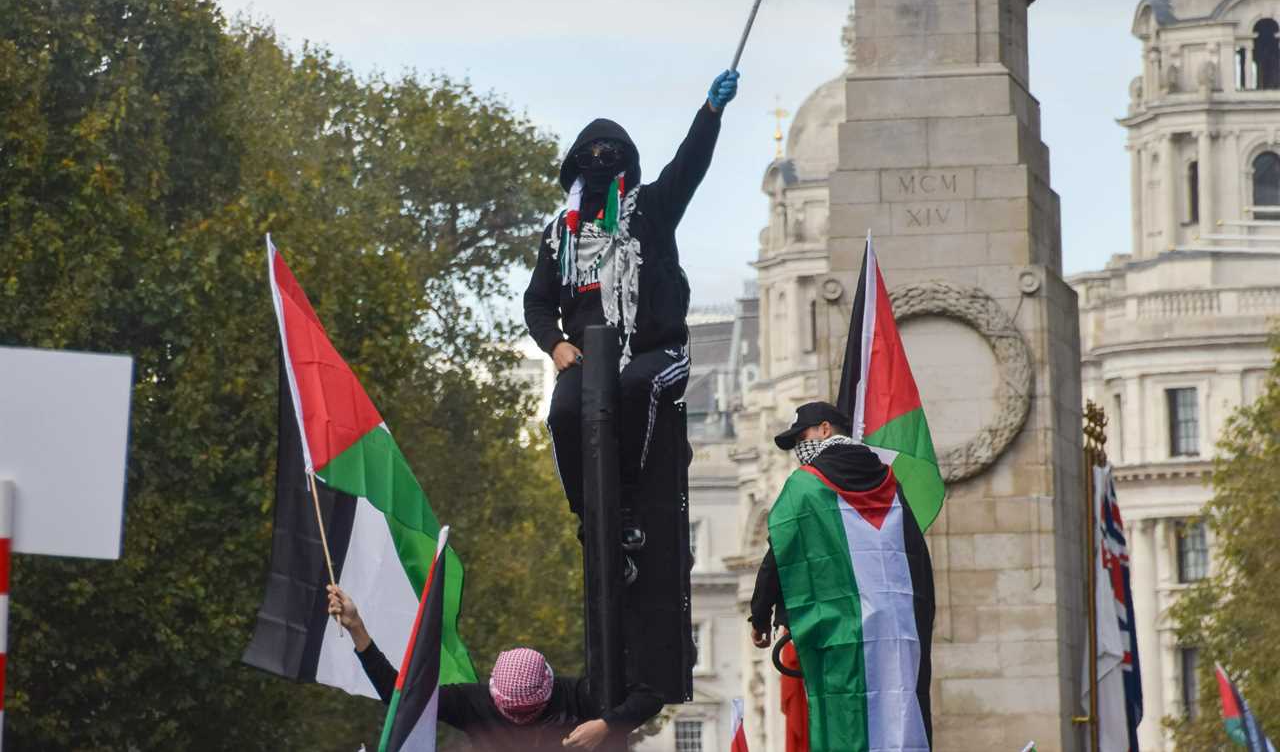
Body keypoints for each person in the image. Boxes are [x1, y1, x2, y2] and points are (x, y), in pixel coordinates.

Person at [523, 70, 739, 581]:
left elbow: (689, 165)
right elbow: (536, 302)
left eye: (610, 153)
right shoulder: (561, 234)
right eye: (590, 155)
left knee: (636, 386)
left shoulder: (651, 211)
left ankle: (628, 504)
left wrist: (710, 112)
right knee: (564, 412)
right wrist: (555, 345)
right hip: (588, 356)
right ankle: (591, 513)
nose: (600, 162)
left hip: (655, 350)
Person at [749, 402, 935, 752]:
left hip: (842, 628)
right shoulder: (890, 481)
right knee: (901, 708)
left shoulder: (806, 485)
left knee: (845, 717)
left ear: (824, 429)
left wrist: (763, 614)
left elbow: (781, 554)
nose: (798, 451)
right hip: (898, 627)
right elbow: (914, 555)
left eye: (799, 438)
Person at [328, 585, 661, 751]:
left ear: (549, 690)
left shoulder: (577, 695)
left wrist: (604, 725)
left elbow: (650, 696)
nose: (518, 720)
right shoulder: (473, 703)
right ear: (493, 693)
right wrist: (358, 629)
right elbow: (399, 695)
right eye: (510, 712)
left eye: (528, 713)